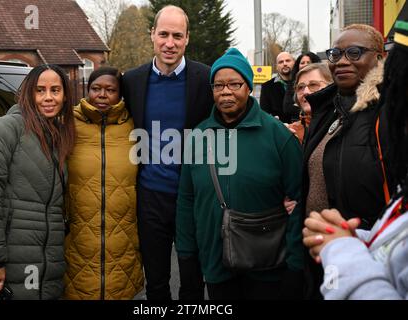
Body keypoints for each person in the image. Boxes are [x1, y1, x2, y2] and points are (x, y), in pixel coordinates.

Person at [176, 48, 304, 300]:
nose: (225, 91)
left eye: (234, 84)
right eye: (218, 85)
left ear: (248, 87)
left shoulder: (277, 134)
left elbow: (299, 198)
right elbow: (186, 199)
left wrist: (296, 263)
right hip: (215, 263)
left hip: (267, 265)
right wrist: (186, 254)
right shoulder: (198, 137)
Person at [302, 20, 408, 299]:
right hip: (325, 251)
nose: (342, 62)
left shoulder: (390, 114)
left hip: (371, 259)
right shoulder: (326, 110)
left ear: (380, 58)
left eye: (355, 53)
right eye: (335, 55)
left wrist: (352, 242)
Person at [0, 64, 75, 299]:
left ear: (65, 96)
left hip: (41, 260)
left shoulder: (58, 135)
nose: (48, 97)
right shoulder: (7, 127)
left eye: (55, 90)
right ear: (28, 94)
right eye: (40, 90)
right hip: (4, 261)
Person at [122, 5, 213, 300]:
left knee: (192, 281)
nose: (169, 43)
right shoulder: (132, 81)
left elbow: (233, 122)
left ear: (187, 38)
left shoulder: (206, 78)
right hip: (150, 196)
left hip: (191, 197)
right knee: (157, 282)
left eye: (177, 35)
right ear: (152, 35)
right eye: (163, 34)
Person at [62, 67, 143, 300]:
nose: (102, 94)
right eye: (96, 88)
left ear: (121, 94)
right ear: (88, 91)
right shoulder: (67, 124)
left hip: (124, 233)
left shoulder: (135, 125)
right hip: (78, 233)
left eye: (110, 90)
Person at [287, 63, 333, 144]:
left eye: (313, 85)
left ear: (332, 87)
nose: (305, 92)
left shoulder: (345, 127)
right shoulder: (290, 131)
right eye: (300, 87)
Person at [283, 52, 322, 122]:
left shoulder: (322, 80)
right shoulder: (292, 83)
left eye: (308, 62)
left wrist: (299, 105)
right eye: (302, 63)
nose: (305, 65)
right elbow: (287, 108)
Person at [260, 51, 295, 123]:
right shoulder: (267, 87)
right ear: (276, 66)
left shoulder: (302, 83)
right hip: (279, 129)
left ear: (294, 63)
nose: (284, 64)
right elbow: (264, 114)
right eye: (281, 62)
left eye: (288, 61)